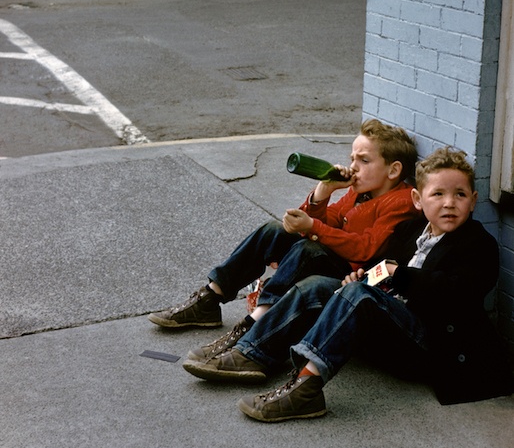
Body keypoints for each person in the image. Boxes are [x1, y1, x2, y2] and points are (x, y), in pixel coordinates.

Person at [184, 147, 513, 420]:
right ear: (418, 199)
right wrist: (362, 277)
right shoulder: (410, 232)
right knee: (316, 285)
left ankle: (305, 389)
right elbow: (379, 268)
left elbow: (458, 294)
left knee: (360, 295)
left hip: (431, 344)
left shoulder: (478, 244)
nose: (448, 202)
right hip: (390, 325)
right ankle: (253, 353)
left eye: (459, 195)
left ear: (473, 199)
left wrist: (396, 276)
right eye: (437, 194)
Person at [148, 119, 418, 359]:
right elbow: (327, 221)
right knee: (273, 230)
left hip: (351, 277)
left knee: (308, 248)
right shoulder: (361, 191)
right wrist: (322, 193)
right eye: (352, 158)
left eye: (364, 161)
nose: (352, 167)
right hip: (333, 257)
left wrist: (313, 226)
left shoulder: (402, 201)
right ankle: (210, 298)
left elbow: (367, 248)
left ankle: (257, 320)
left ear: (393, 171)